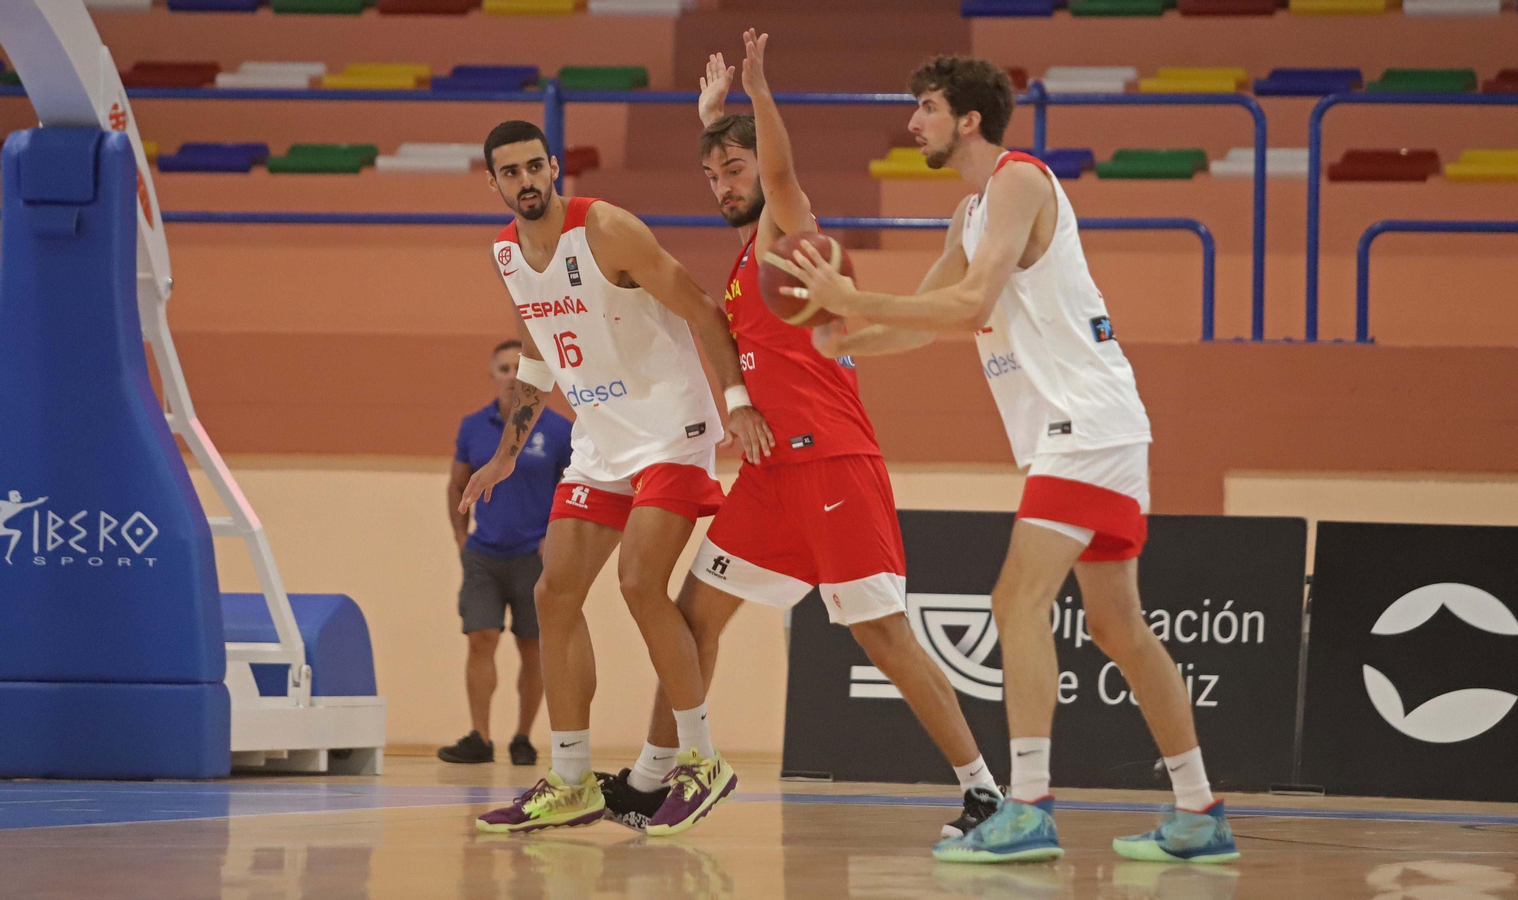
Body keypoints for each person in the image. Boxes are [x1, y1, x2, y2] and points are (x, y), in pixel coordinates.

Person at [779, 57, 1240, 865]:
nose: (912, 122)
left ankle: (1028, 805)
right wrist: (840, 341)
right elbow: (925, 323)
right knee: (1117, 625)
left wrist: (856, 300)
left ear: (967, 119)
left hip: (1084, 424)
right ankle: (1200, 809)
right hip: (1095, 431)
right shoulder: (969, 214)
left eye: (925, 107)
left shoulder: (1020, 180)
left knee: (1014, 601)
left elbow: (970, 304)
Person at [596, 33, 1002, 841]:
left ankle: (984, 790)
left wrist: (755, 96)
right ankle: (653, 775)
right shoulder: (749, 260)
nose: (722, 185)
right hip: (770, 475)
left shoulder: (789, 234)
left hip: (833, 465)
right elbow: (747, 174)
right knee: (693, 614)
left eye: (733, 171)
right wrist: (714, 126)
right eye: (711, 177)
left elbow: (777, 171)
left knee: (882, 635)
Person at [467, 120, 776, 837]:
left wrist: (736, 402)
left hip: (669, 424)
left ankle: (701, 760)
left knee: (639, 582)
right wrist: (510, 450)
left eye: (533, 167)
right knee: (554, 590)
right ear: (493, 183)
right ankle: (571, 778)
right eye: (508, 173)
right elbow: (541, 350)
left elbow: (701, 306)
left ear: (553, 167)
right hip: (601, 438)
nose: (524, 182)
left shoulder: (605, 228)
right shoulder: (508, 254)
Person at [438, 339, 573, 767]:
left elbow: (571, 490)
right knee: (481, 638)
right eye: (503, 368)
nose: (512, 376)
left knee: (533, 647)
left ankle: (522, 737)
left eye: (520, 367)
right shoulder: (473, 427)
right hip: (484, 555)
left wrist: (555, 541)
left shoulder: (558, 430)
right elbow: (457, 485)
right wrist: (462, 539)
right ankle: (480, 736)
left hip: (534, 557)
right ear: (492, 374)